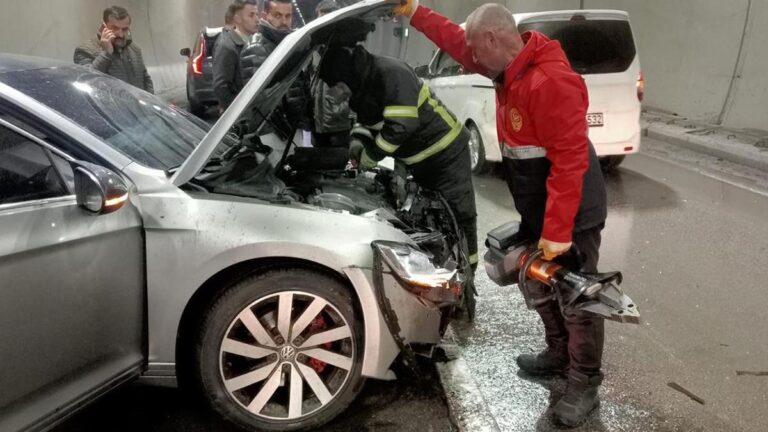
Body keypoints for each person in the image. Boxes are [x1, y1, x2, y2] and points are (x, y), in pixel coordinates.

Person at [396, 1, 608, 427]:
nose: (471, 58)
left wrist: (558, 230)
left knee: (578, 294)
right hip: (540, 206)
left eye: (478, 47)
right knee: (540, 281)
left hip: (571, 213)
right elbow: (460, 43)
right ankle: (557, 353)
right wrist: (414, 11)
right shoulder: (508, 67)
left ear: (493, 39)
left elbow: (568, 162)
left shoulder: (549, 81)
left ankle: (584, 380)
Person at [318, 45, 479, 315]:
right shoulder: (363, 81)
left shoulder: (390, 73)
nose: (339, 91)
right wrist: (357, 144)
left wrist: (372, 154)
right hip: (420, 159)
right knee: (432, 222)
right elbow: (366, 123)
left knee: (458, 219)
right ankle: (437, 286)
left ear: (346, 74)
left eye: (338, 84)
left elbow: (401, 126)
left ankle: (466, 290)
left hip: (446, 153)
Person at [240, 0, 311, 139]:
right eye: (278, 15)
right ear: (266, 15)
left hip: (293, 127)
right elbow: (261, 99)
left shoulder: (288, 44)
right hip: (272, 132)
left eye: (288, 16)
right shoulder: (257, 47)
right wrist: (282, 129)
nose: (284, 21)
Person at [74, 6, 153, 93]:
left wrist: (152, 103)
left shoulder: (134, 49)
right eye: (115, 28)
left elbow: (146, 79)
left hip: (137, 105)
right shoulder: (84, 50)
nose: (121, 34)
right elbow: (87, 81)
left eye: (125, 29)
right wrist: (106, 53)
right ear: (104, 26)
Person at [311, 0, 352, 148]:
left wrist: (340, 111)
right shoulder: (316, 49)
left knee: (337, 165)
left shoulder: (348, 50)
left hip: (338, 126)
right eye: (318, 19)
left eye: (324, 20)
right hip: (318, 123)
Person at [212, 0, 259, 111]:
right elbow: (221, 86)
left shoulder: (249, 41)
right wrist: (238, 113)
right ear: (238, 19)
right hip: (240, 117)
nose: (257, 19)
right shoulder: (226, 45)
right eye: (251, 15)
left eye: (257, 14)